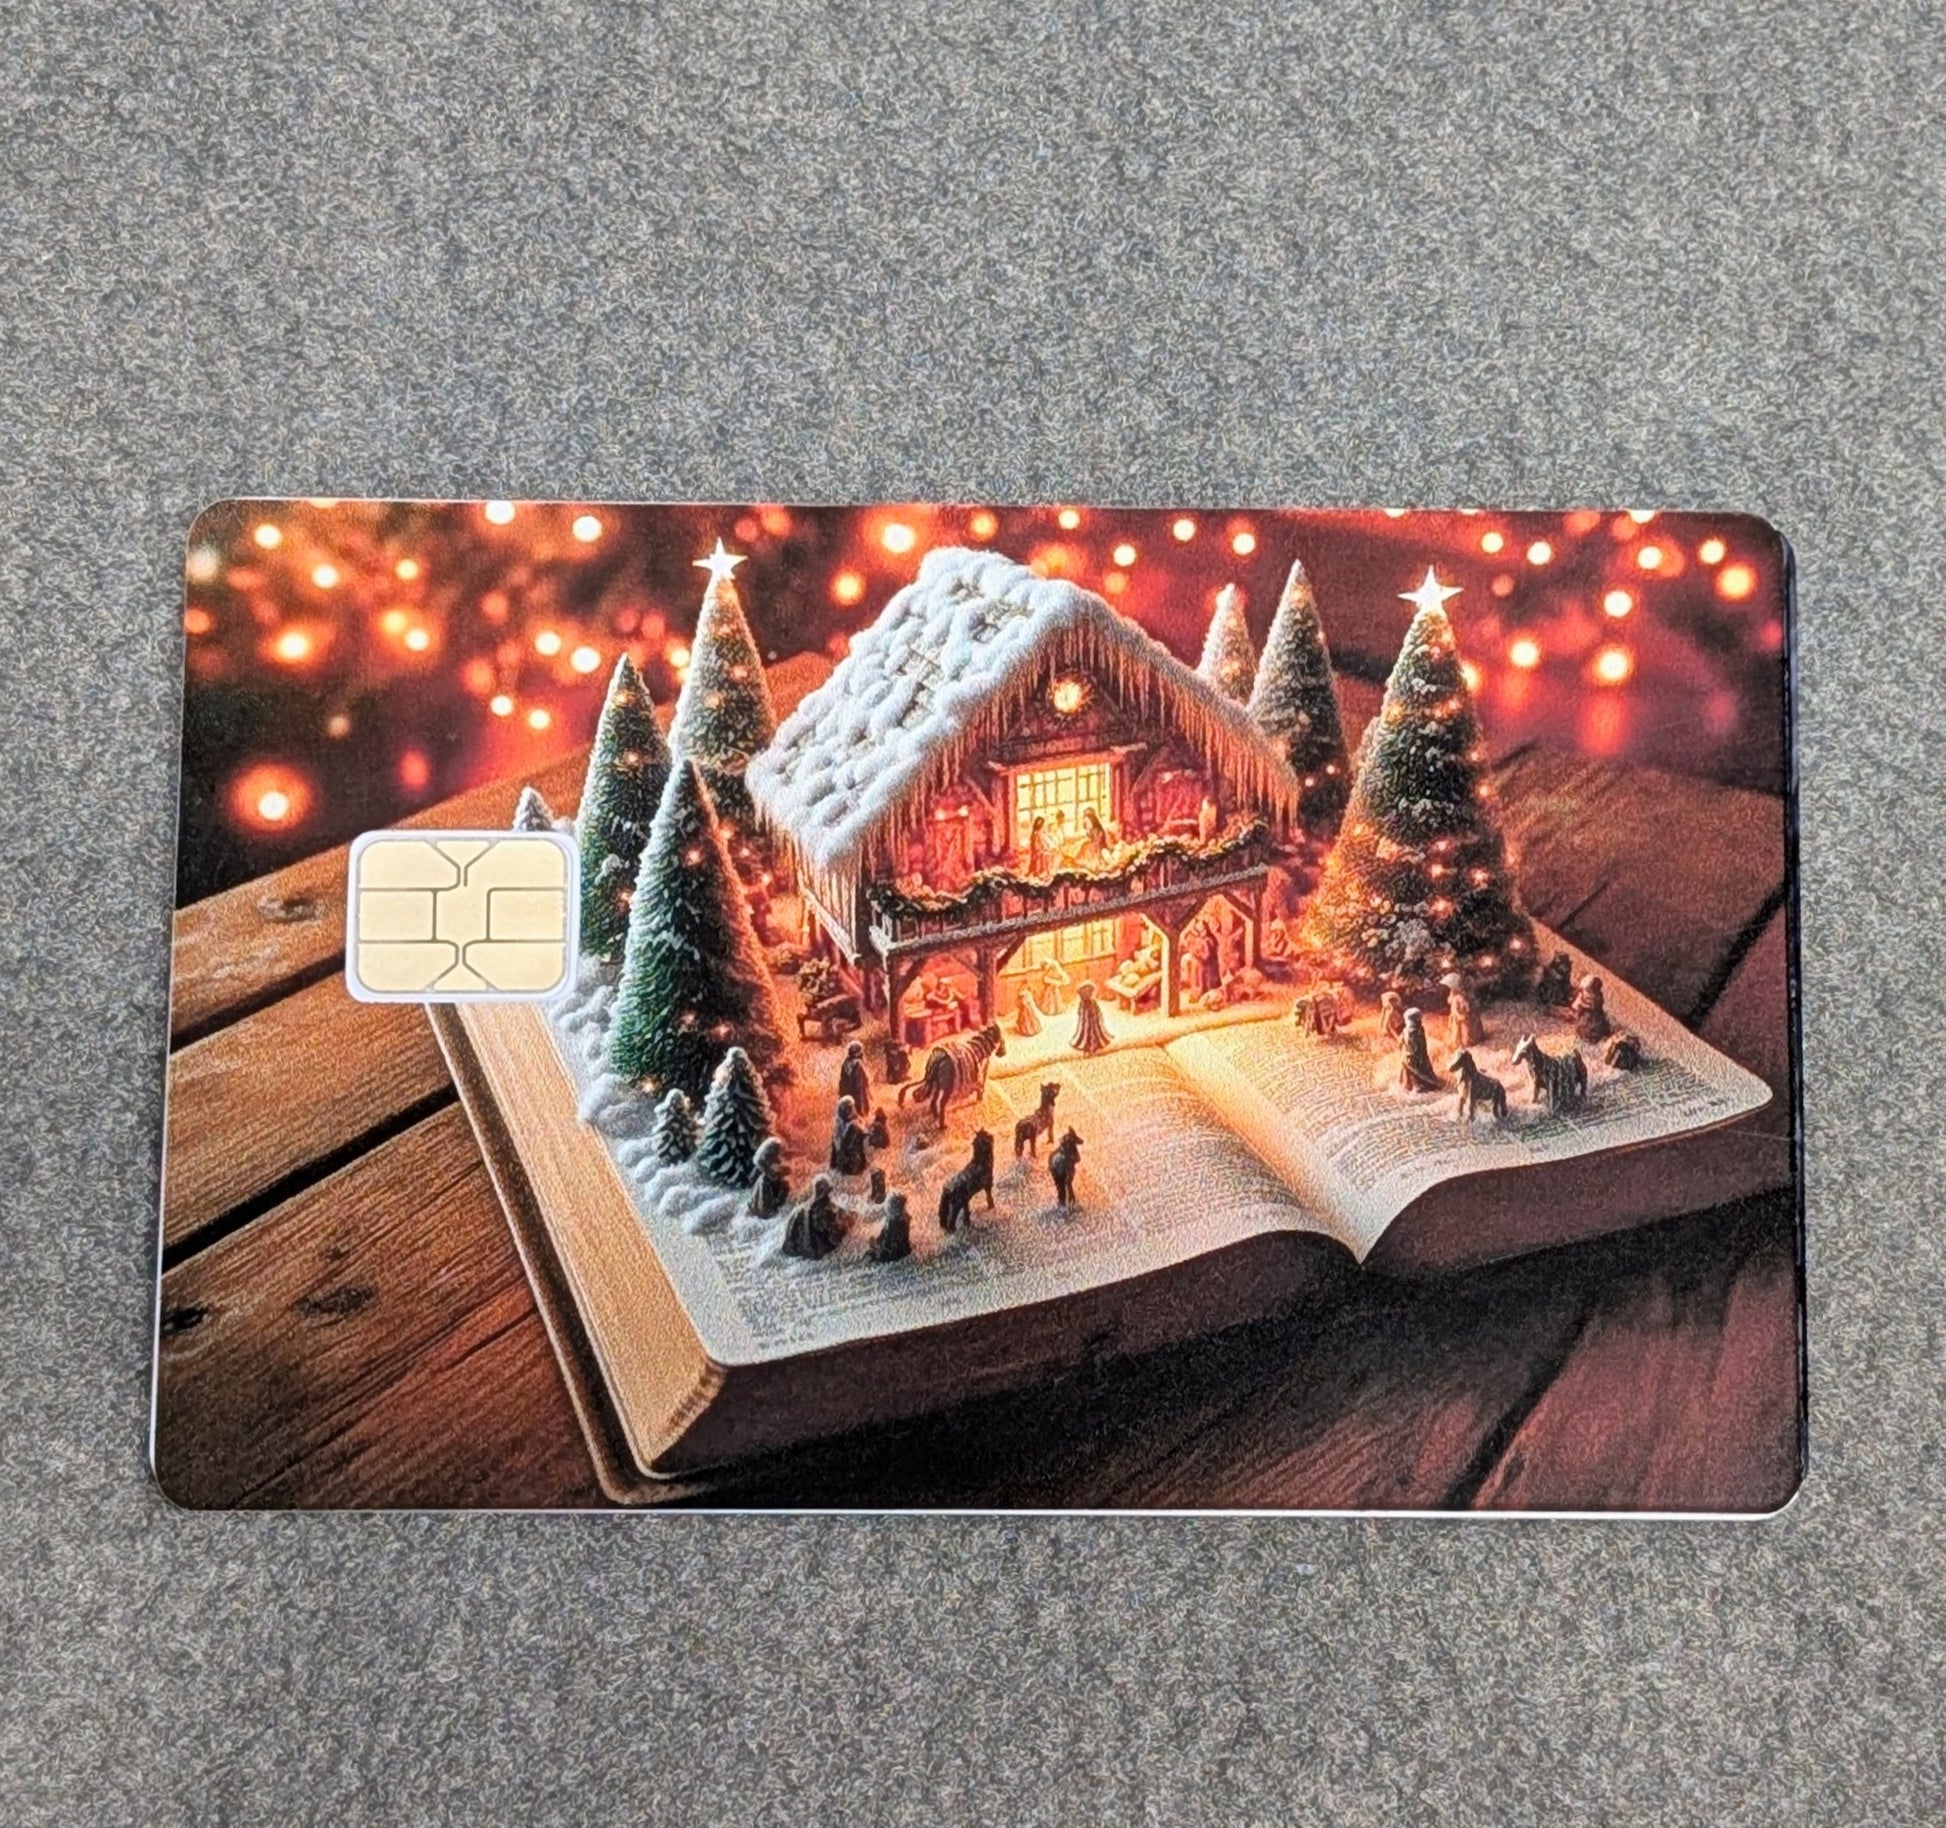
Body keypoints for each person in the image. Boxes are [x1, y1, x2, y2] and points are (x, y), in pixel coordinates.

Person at [1397, 1007, 1443, 1093]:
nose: (1419, 1021)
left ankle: (1418, 1085)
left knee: (1418, 1072)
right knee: (1414, 1074)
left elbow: (1401, 1043)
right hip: (1412, 1057)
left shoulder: (1417, 1030)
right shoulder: (1413, 1031)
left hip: (1416, 1056)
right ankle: (1414, 1086)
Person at [1440, 972, 1484, 1049]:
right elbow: (1449, 1001)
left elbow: (1466, 1009)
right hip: (1455, 1016)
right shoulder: (1453, 994)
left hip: (1460, 1016)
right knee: (1455, 1030)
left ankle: (1465, 1041)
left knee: (1464, 1032)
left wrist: (1460, 1015)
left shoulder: (1460, 997)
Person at [829, 1095, 870, 1176]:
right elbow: (835, 1147)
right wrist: (833, 1164)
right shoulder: (840, 1125)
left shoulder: (855, 1126)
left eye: (845, 1109)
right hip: (844, 1163)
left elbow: (845, 1146)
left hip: (853, 1164)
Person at [1070, 980, 1112, 1055]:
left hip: (1093, 1022)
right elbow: (1081, 1013)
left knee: (1094, 1032)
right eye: (1085, 993)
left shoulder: (1093, 1003)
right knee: (1086, 1032)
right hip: (1086, 1022)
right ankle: (1088, 1047)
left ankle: (1093, 1046)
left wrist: (1096, 1016)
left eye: (1089, 992)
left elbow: (1097, 1012)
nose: (1087, 994)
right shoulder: (1083, 1004)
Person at [837, 1038, 870, 1114]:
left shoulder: (845, 1063)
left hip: (845, 1092)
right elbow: (864, 1080)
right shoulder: (858, 1064)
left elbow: (842, 1080)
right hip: (856, 1094)